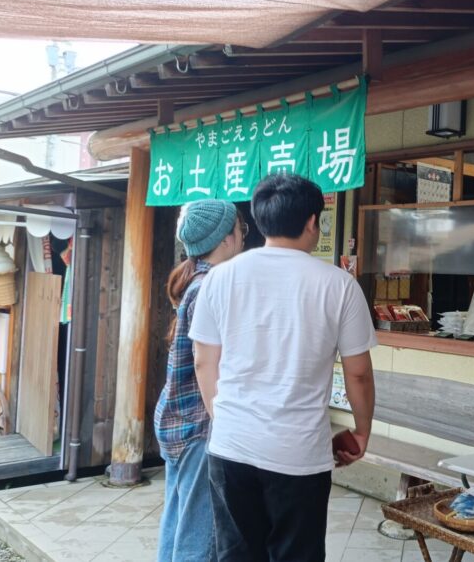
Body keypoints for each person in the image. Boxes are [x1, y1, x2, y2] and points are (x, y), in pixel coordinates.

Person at [190, 174, 377, 562]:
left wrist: (223, 417)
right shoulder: (339, 285)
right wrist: (360, 431)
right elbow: (357, 372)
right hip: (298, 454)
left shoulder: (220, 278)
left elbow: (204, 360)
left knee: (236, 555)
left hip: (230, 447)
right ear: (312, 222)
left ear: (259, 221)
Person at [154, 200, 244, 562]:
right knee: (198, 534)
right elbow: (211, 363)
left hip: (177, 418)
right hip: (200, 424)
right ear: (225, 238)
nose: (243, 239)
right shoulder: (214, 286)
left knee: (176, 521)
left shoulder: (194, 280)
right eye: (241, 231)